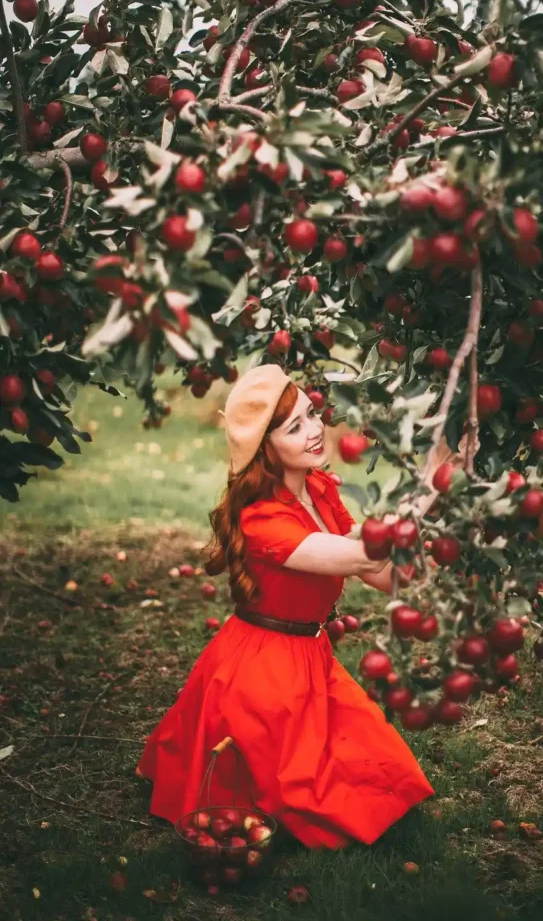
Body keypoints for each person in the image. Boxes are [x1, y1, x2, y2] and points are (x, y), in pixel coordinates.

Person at [135, 364, 459, 850]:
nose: (314, 430)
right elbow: (364, 555)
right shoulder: (263, 519)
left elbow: (379, 574)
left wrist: (440, 552)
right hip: (263, 673)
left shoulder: (320, 490)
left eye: (312, 414)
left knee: (384, 773)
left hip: (312, 656)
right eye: (294, 427)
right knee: (310, 797)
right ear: (266, 449)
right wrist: (432, 480)